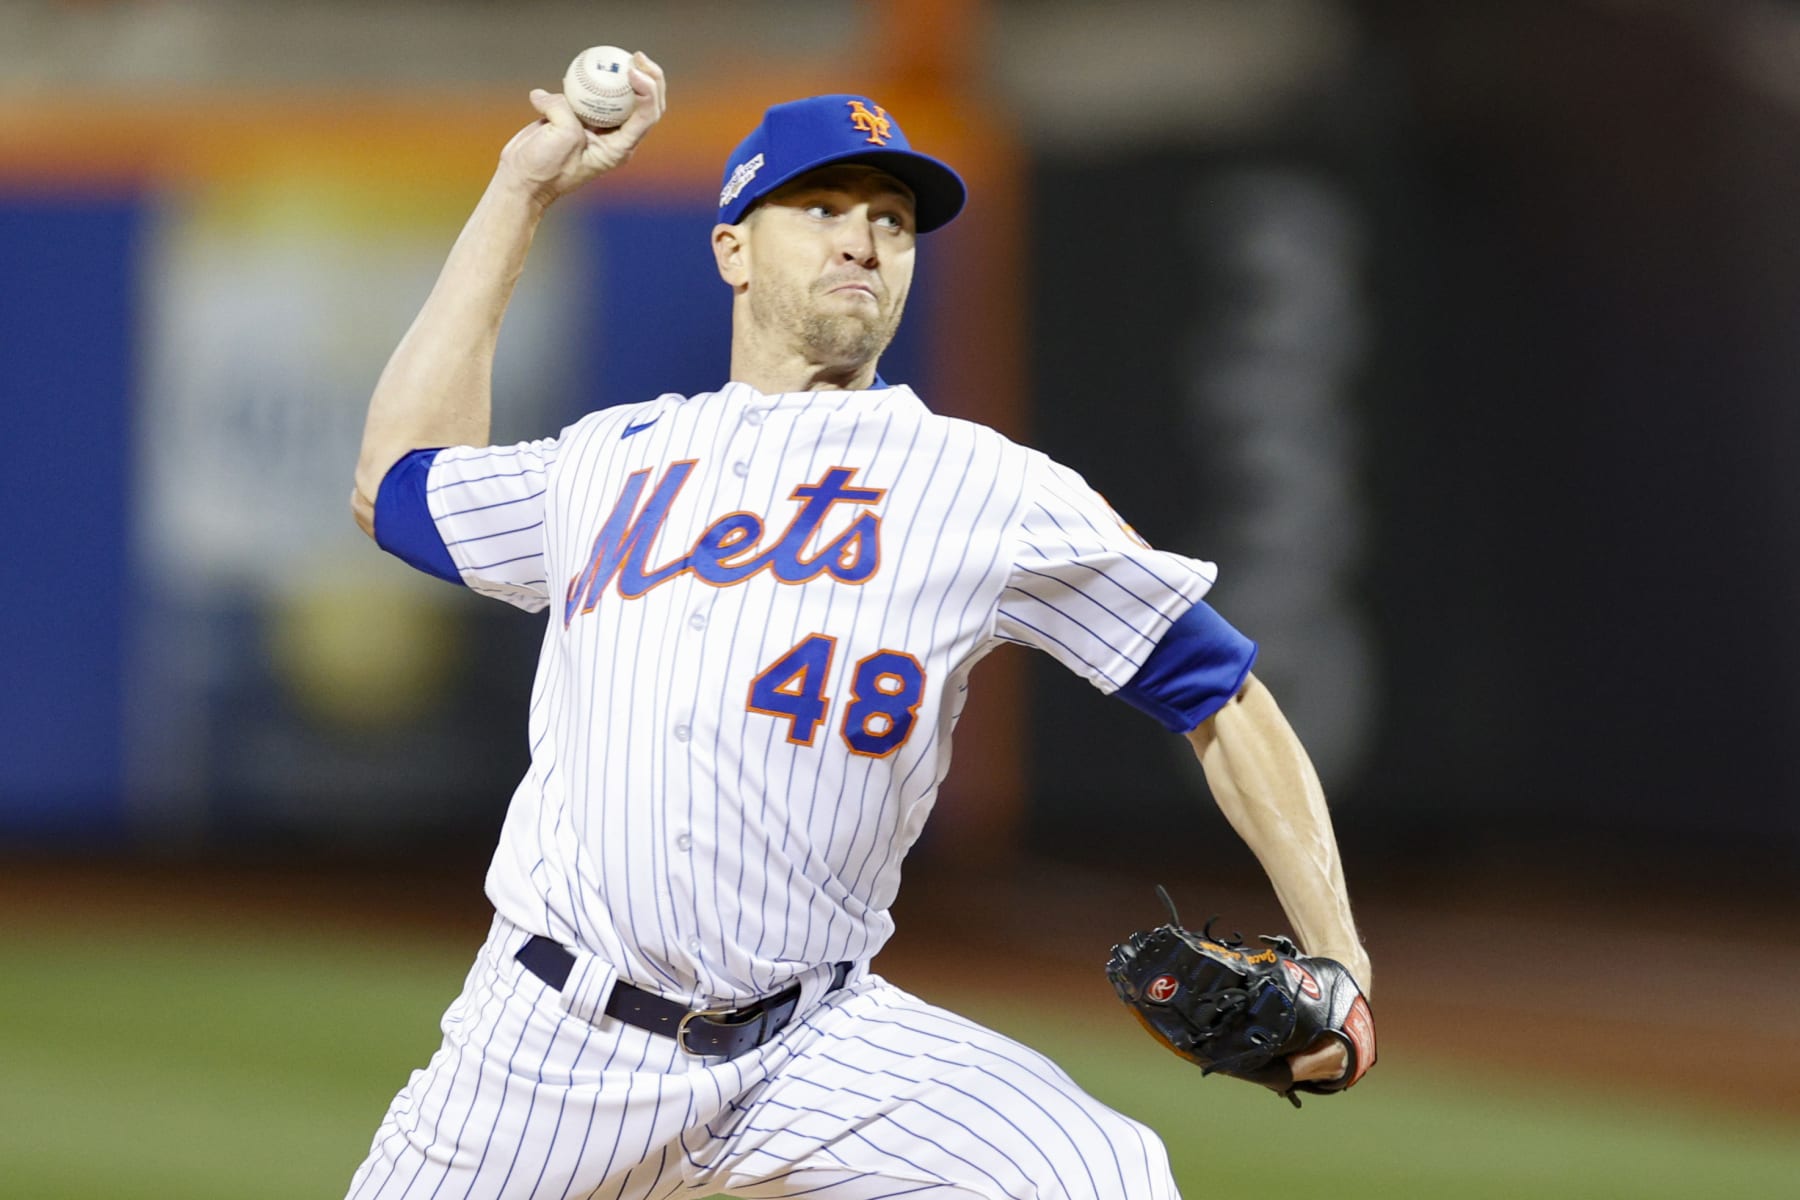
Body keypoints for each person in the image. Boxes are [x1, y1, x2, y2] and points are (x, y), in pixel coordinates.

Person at [345, 52, 1372, 1200]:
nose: (862, 239)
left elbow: (1220, 694)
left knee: (1102, 1172)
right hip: (546, 1047)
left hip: (813, 1046)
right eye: (821, 207)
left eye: (892, 219)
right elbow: (397, 482)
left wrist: (1340, 954)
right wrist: (519, 191)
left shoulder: (989, 488)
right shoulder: (609, 460)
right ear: (732, 247)